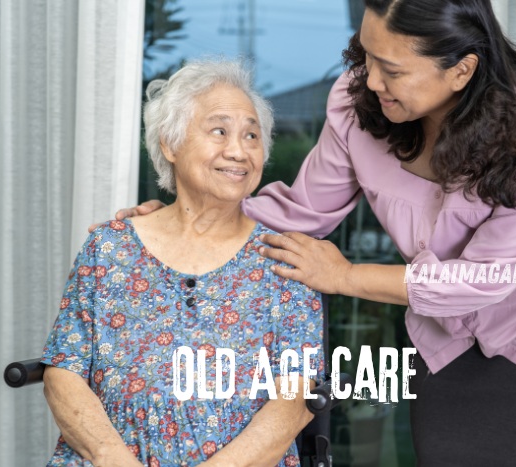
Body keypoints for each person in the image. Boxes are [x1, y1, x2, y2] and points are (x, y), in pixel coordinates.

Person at [115, 1, 516, 465]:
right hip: (438, 312)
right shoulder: (360, 101)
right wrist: (189, 216)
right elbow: (304, 210)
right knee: (439, 449)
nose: (372, 80)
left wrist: (345, 276)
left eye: (392, 70)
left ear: (462, 70)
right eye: (369, 57)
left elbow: (488, 278)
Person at [42, 59, 324, 467]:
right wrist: (113, 459)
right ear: (169, 144)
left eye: (251, 135)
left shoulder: (286, 258)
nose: (238, 151)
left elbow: (295, 398)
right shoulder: (109, 247)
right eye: (219, 131)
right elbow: (62, 373)